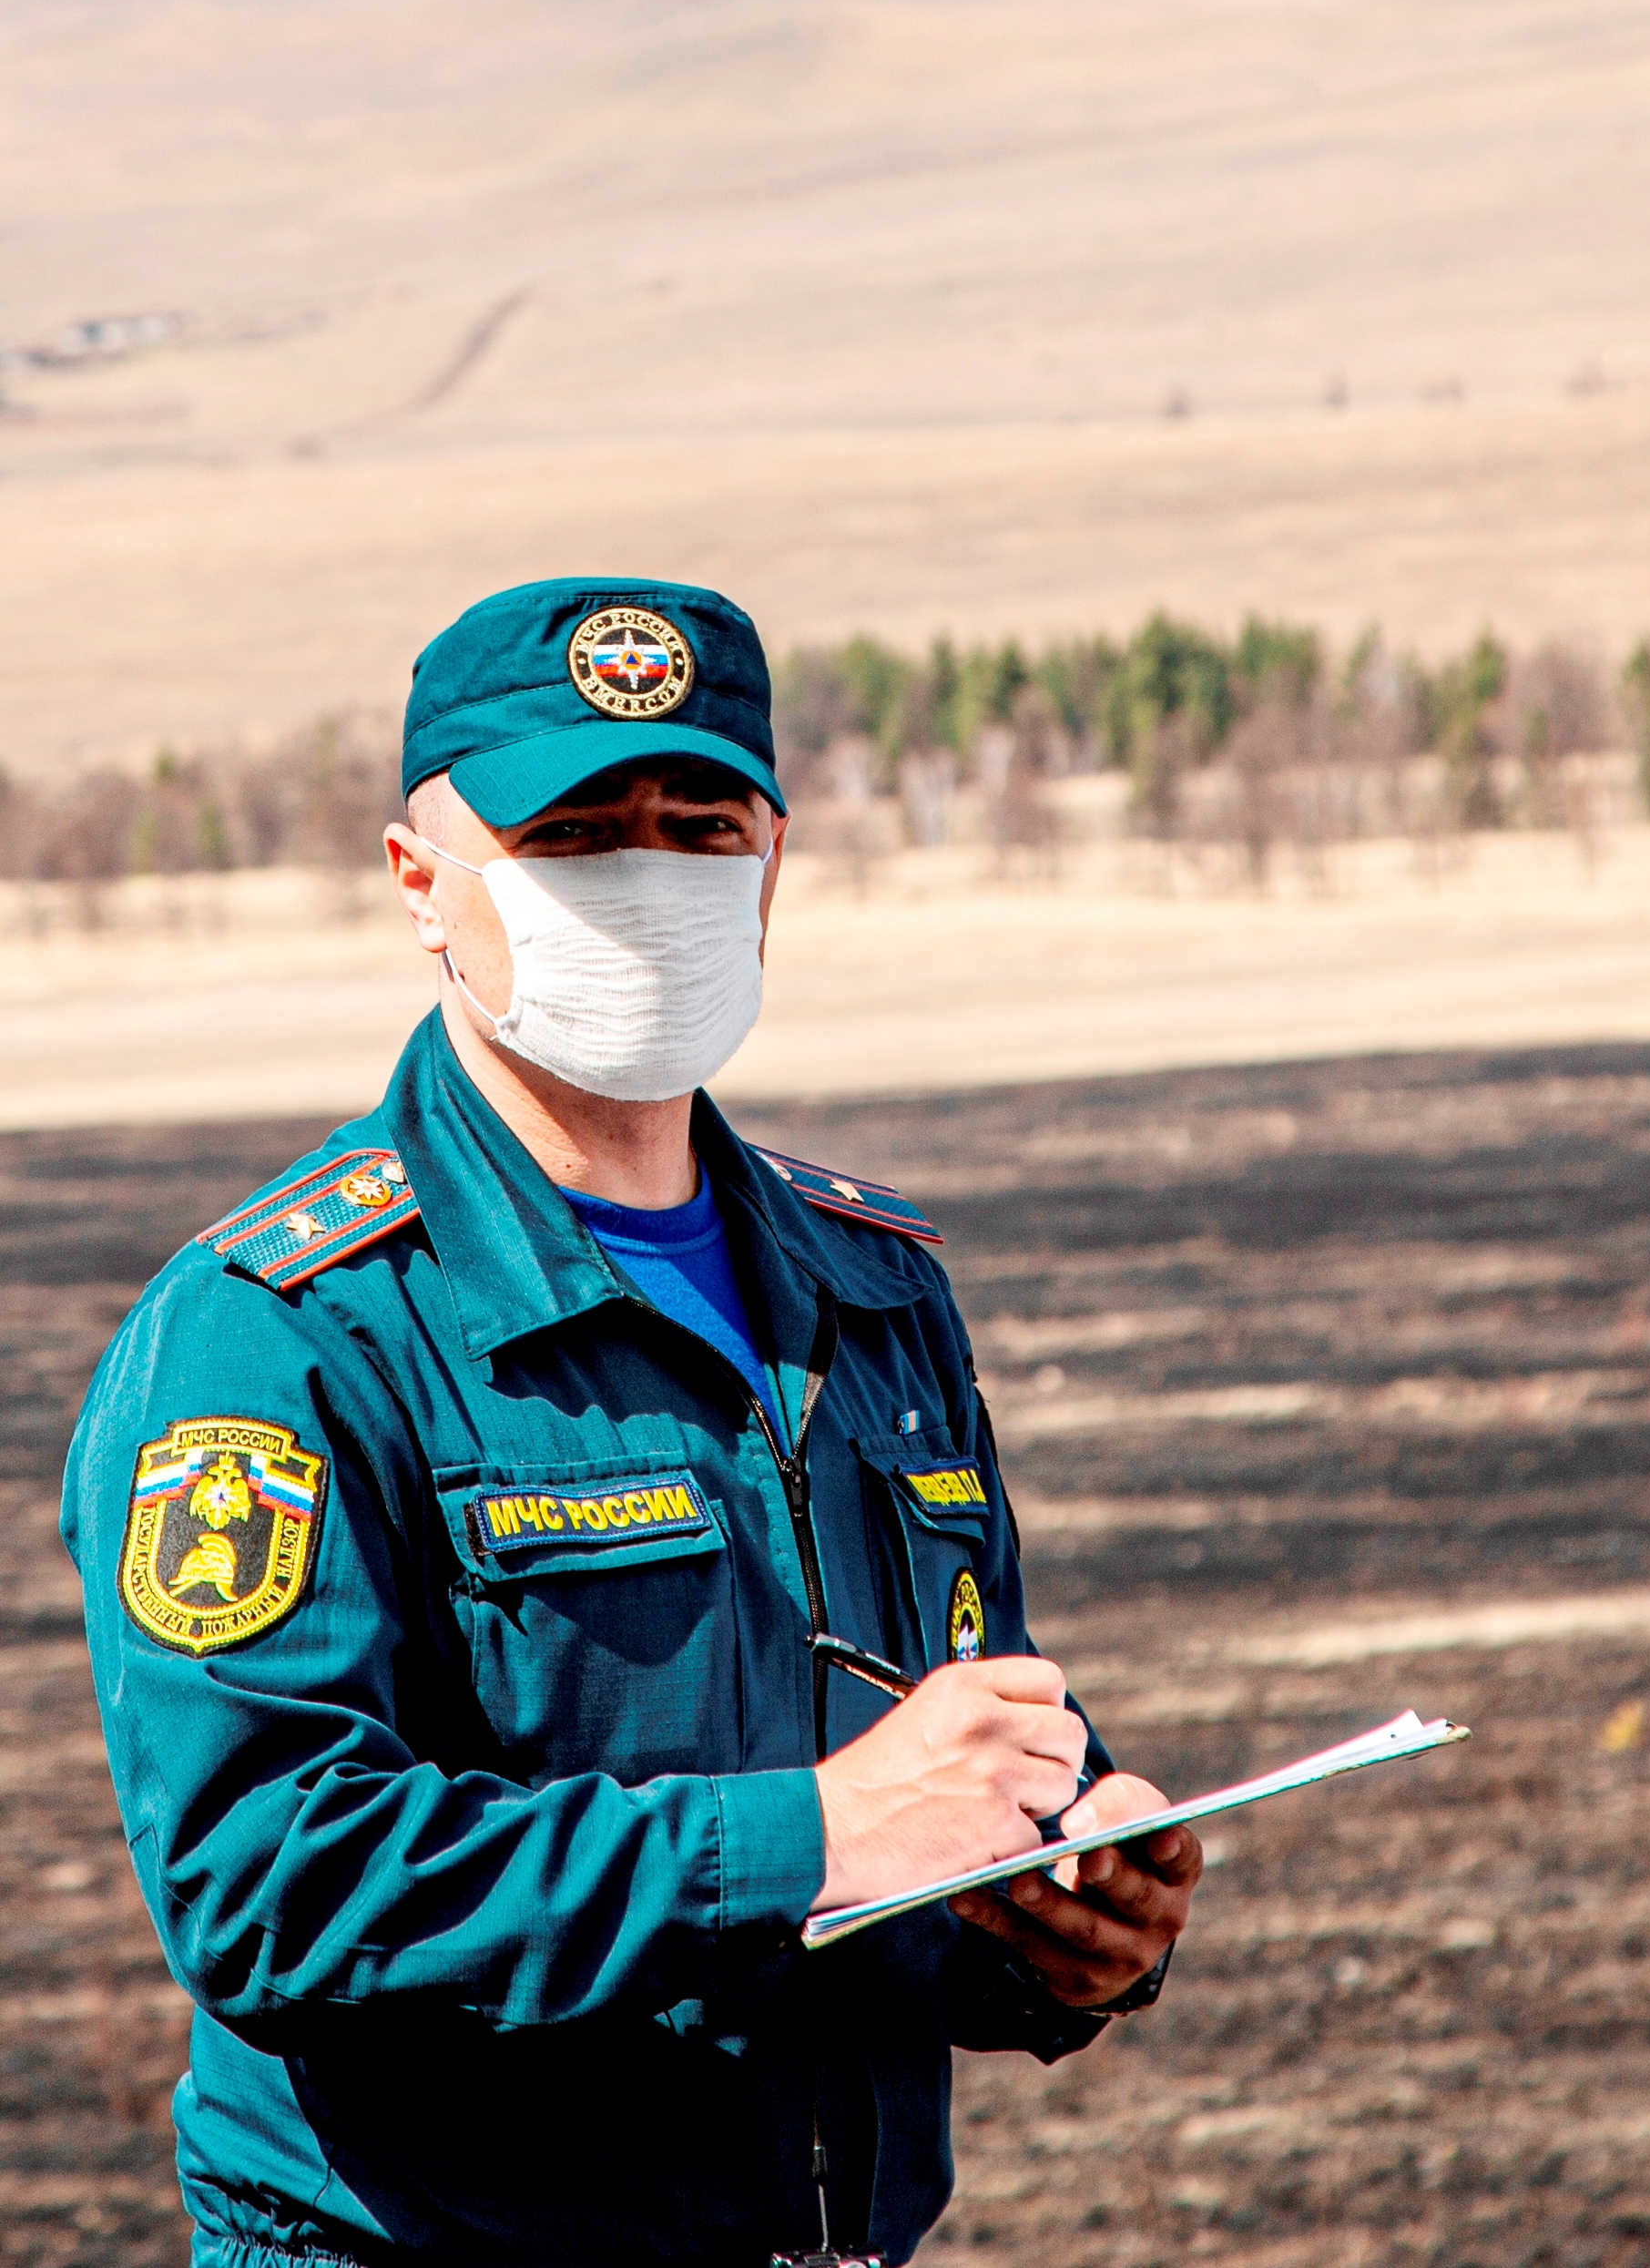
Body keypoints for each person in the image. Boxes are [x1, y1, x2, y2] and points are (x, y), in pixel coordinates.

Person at [58, 577, 1198, 2266]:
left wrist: (1052, 1908)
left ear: (771, 866)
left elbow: (923, 1746)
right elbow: (269, 1879)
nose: (647, 874)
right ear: (419, 882)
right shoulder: (283, 1331)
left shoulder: (867, 1289)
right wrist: (815, 1832)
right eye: (576, 832)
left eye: (698, 821)